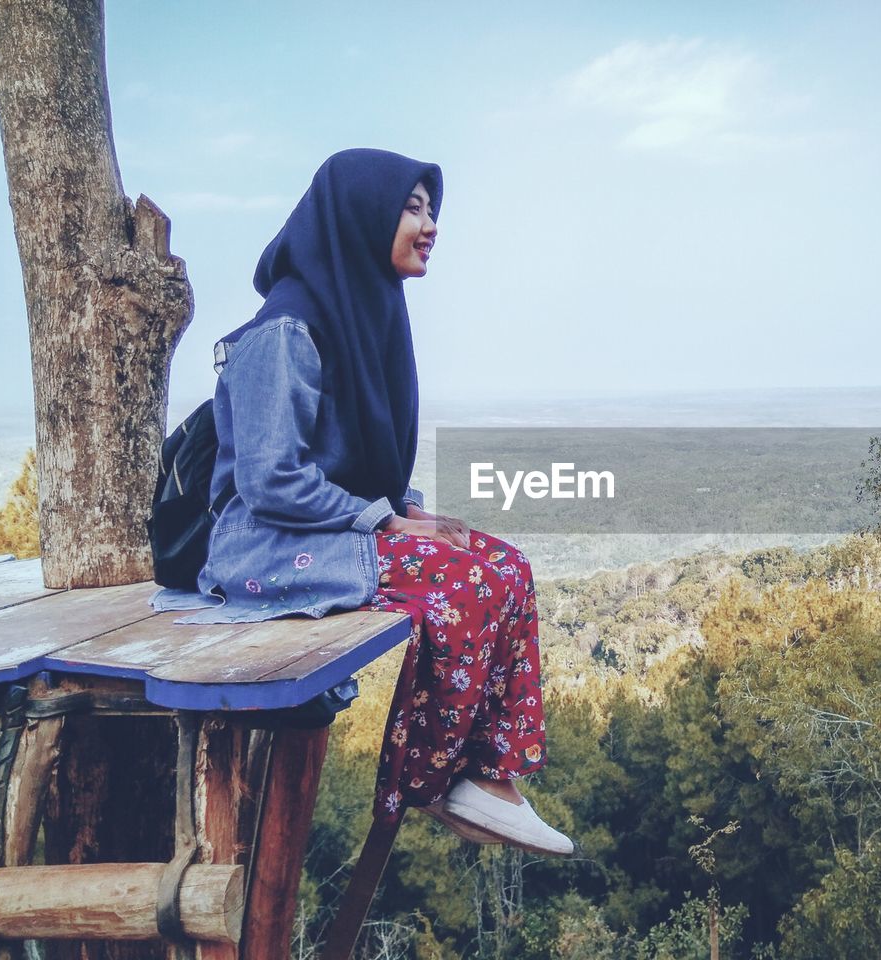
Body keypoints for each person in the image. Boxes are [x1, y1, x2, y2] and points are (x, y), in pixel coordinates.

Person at [154, 148, 572, 856]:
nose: (429, 224)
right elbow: (270, 481)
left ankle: (490, 778)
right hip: (261, 544)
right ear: (358, 217)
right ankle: (431, 782)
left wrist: (404, 508)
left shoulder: (360, 315)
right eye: (411, 207)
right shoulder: (285, 331)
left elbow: (351, 460)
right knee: (462, 581)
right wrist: (386, 519)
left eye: (431, 208)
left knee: (505, 566)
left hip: (324, 531)